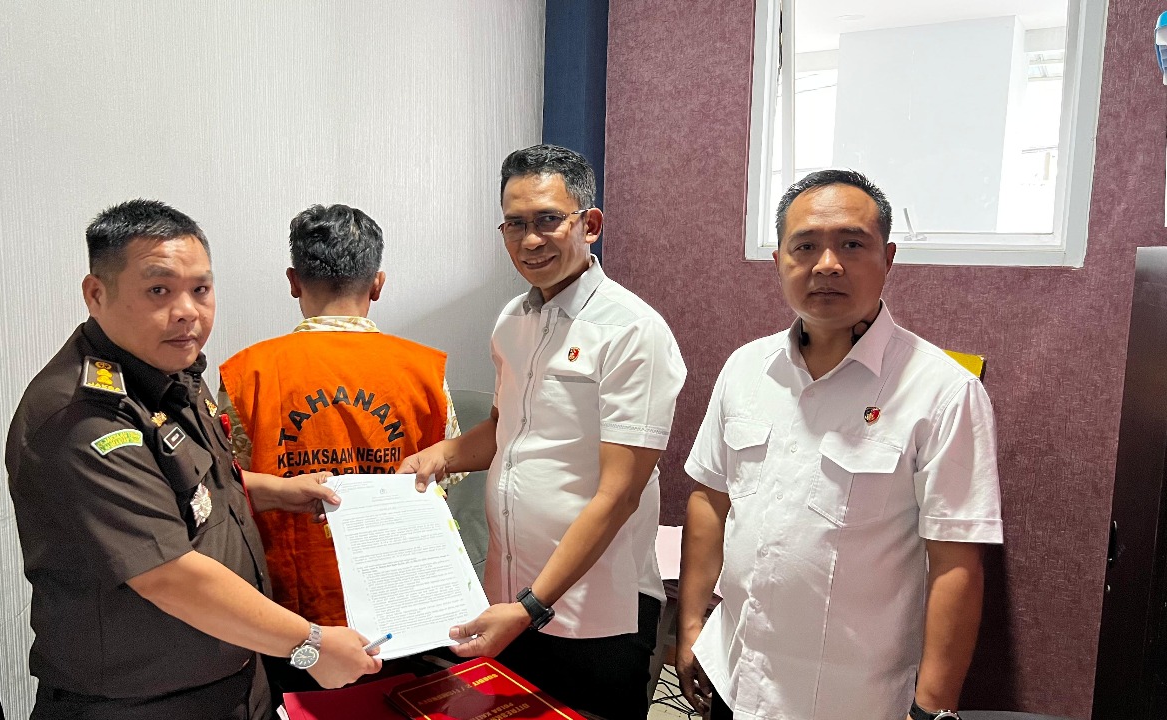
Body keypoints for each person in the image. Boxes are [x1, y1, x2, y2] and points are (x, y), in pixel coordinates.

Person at [6, 199, 381, 720]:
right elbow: (168, 575)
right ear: (96, 294)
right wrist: (310, 644)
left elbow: (197, 488)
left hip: (234, 676)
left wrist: (277, 491)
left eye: (200, 289)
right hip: (144, 705)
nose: (188, 311)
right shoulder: (84, 418)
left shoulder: (169, 368)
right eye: (158, 290)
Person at [675, 169, 1003, 720]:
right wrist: (690, 626)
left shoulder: (943, 392)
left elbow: (956, 561)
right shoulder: (746, 368)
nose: (827, 264)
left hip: (851, 701)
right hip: (734, 673)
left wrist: (933, 709)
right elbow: (711, 498)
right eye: (805, 246)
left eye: (852, 244)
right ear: (780, 260)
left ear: (888, 258)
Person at [401, 144, 687, 719]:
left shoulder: (632, 330)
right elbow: (504, 432)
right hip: (507, 596)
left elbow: (620, 493)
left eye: (548, 220)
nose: (530, 240)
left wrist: (533, 605)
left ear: (590, 225)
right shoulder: (513, 320)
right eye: (515, 224)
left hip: (596, 612)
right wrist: (441, 455)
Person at [217, 202, 461, 696]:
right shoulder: (425, 371)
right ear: (378, 284)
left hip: (291, 615)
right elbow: (447, 477)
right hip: (403, 602)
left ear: (293, 281)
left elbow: (226, 487)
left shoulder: (245, 374)